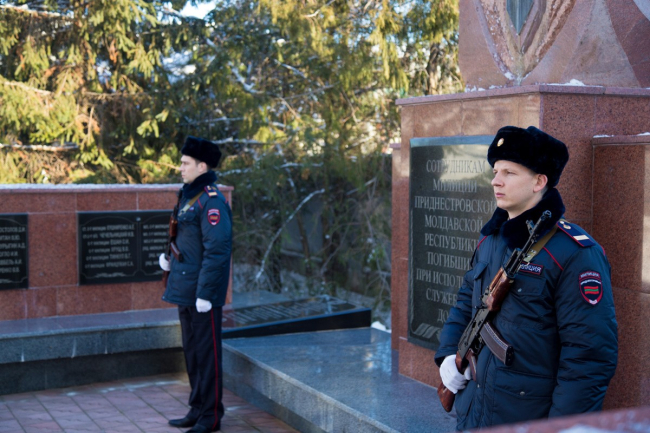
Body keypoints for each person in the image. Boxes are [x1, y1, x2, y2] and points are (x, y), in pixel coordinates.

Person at [435, 126, 618, 430]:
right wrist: (448, 355)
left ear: (539, 181)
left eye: (509, 172)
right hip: (475, 411)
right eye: (495, 171)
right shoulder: (490, 240)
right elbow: (466, 302)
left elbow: (588, 358)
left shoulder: (574, 253)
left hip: (528, 418)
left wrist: (561, 428)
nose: (496, 180)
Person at [159, 136, 232, 433]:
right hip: (185, 288)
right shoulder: (188, 194)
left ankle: (211, 416)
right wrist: (168, 257)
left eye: (185, 163)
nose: (180, 168)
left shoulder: (211, 200)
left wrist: (206, 294)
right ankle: (197, 408)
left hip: (202, 294)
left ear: (202, 166)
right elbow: (182, 236)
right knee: (192, 353)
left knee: (207, 355)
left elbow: (217, 251)